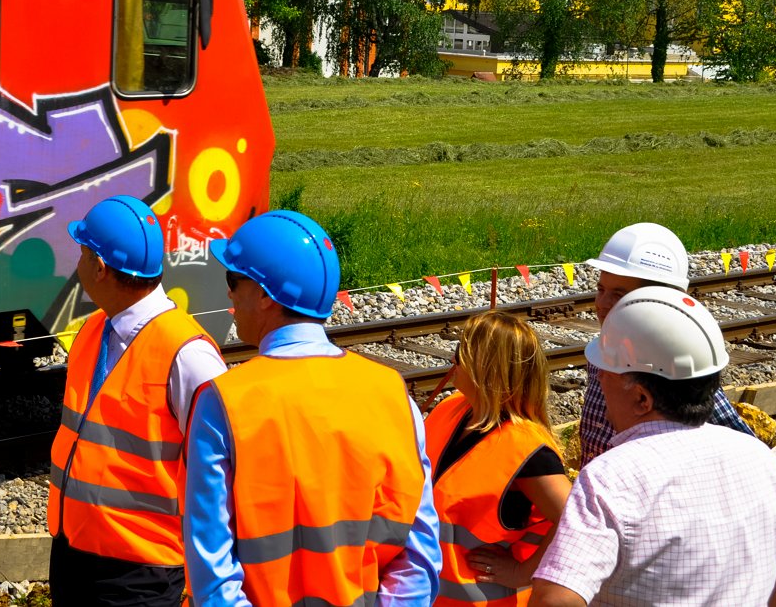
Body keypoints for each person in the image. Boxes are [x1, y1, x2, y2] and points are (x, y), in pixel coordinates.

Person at [183, 210, 441, 606]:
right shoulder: (392, 394)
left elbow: (213, 575)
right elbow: (419, 555)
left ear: (266, 297)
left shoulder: (223, 402)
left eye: (233, 281)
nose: (229, 294)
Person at [530, 286, 776, 607]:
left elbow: (555, 600)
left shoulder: (610, 478)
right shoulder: (757, 456)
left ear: (642, 398)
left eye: (605, 374)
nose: (599, 382)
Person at [47, 195, 226, 607]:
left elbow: (221, 474)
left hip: (140, 572)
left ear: (100, 268)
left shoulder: (189, 356)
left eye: (82, 253)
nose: (77, 266)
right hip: (74, 552)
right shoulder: (93, 332)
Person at [425, 311, 570, 606]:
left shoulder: (527, 449)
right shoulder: (451, 408)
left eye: (460, 352)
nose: (453, 361)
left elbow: (575, 520)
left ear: (485, 368)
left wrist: (522, 572)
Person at [579, 221, 753, 466]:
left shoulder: (674, 368)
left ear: (660, 301)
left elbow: (739, 444)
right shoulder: (605, 351)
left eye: (619, 295)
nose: (602, 303)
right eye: (601, 289)